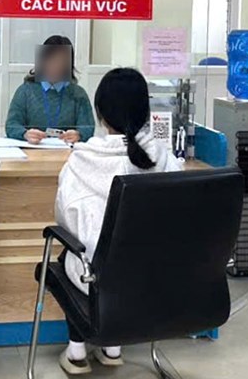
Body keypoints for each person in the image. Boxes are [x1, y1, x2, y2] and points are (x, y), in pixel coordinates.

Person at [54, 68, 182, 375]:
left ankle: (76, 353)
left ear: (99, 112)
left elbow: (64, 219)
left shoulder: (82, 160)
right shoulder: (164, 158)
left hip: (97, 279)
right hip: (151, 275)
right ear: (145, 111)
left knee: (72, 252)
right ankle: (112, 348)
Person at [5, 35, 94, 145]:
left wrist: (79, 134)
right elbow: (11, 125)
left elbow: (88, 127)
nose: (55, 66)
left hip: (69, 154)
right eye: (51, 61)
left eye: (61, 62)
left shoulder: (78, 94)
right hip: (32, 152)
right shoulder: (25, 91)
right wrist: (25, 134)